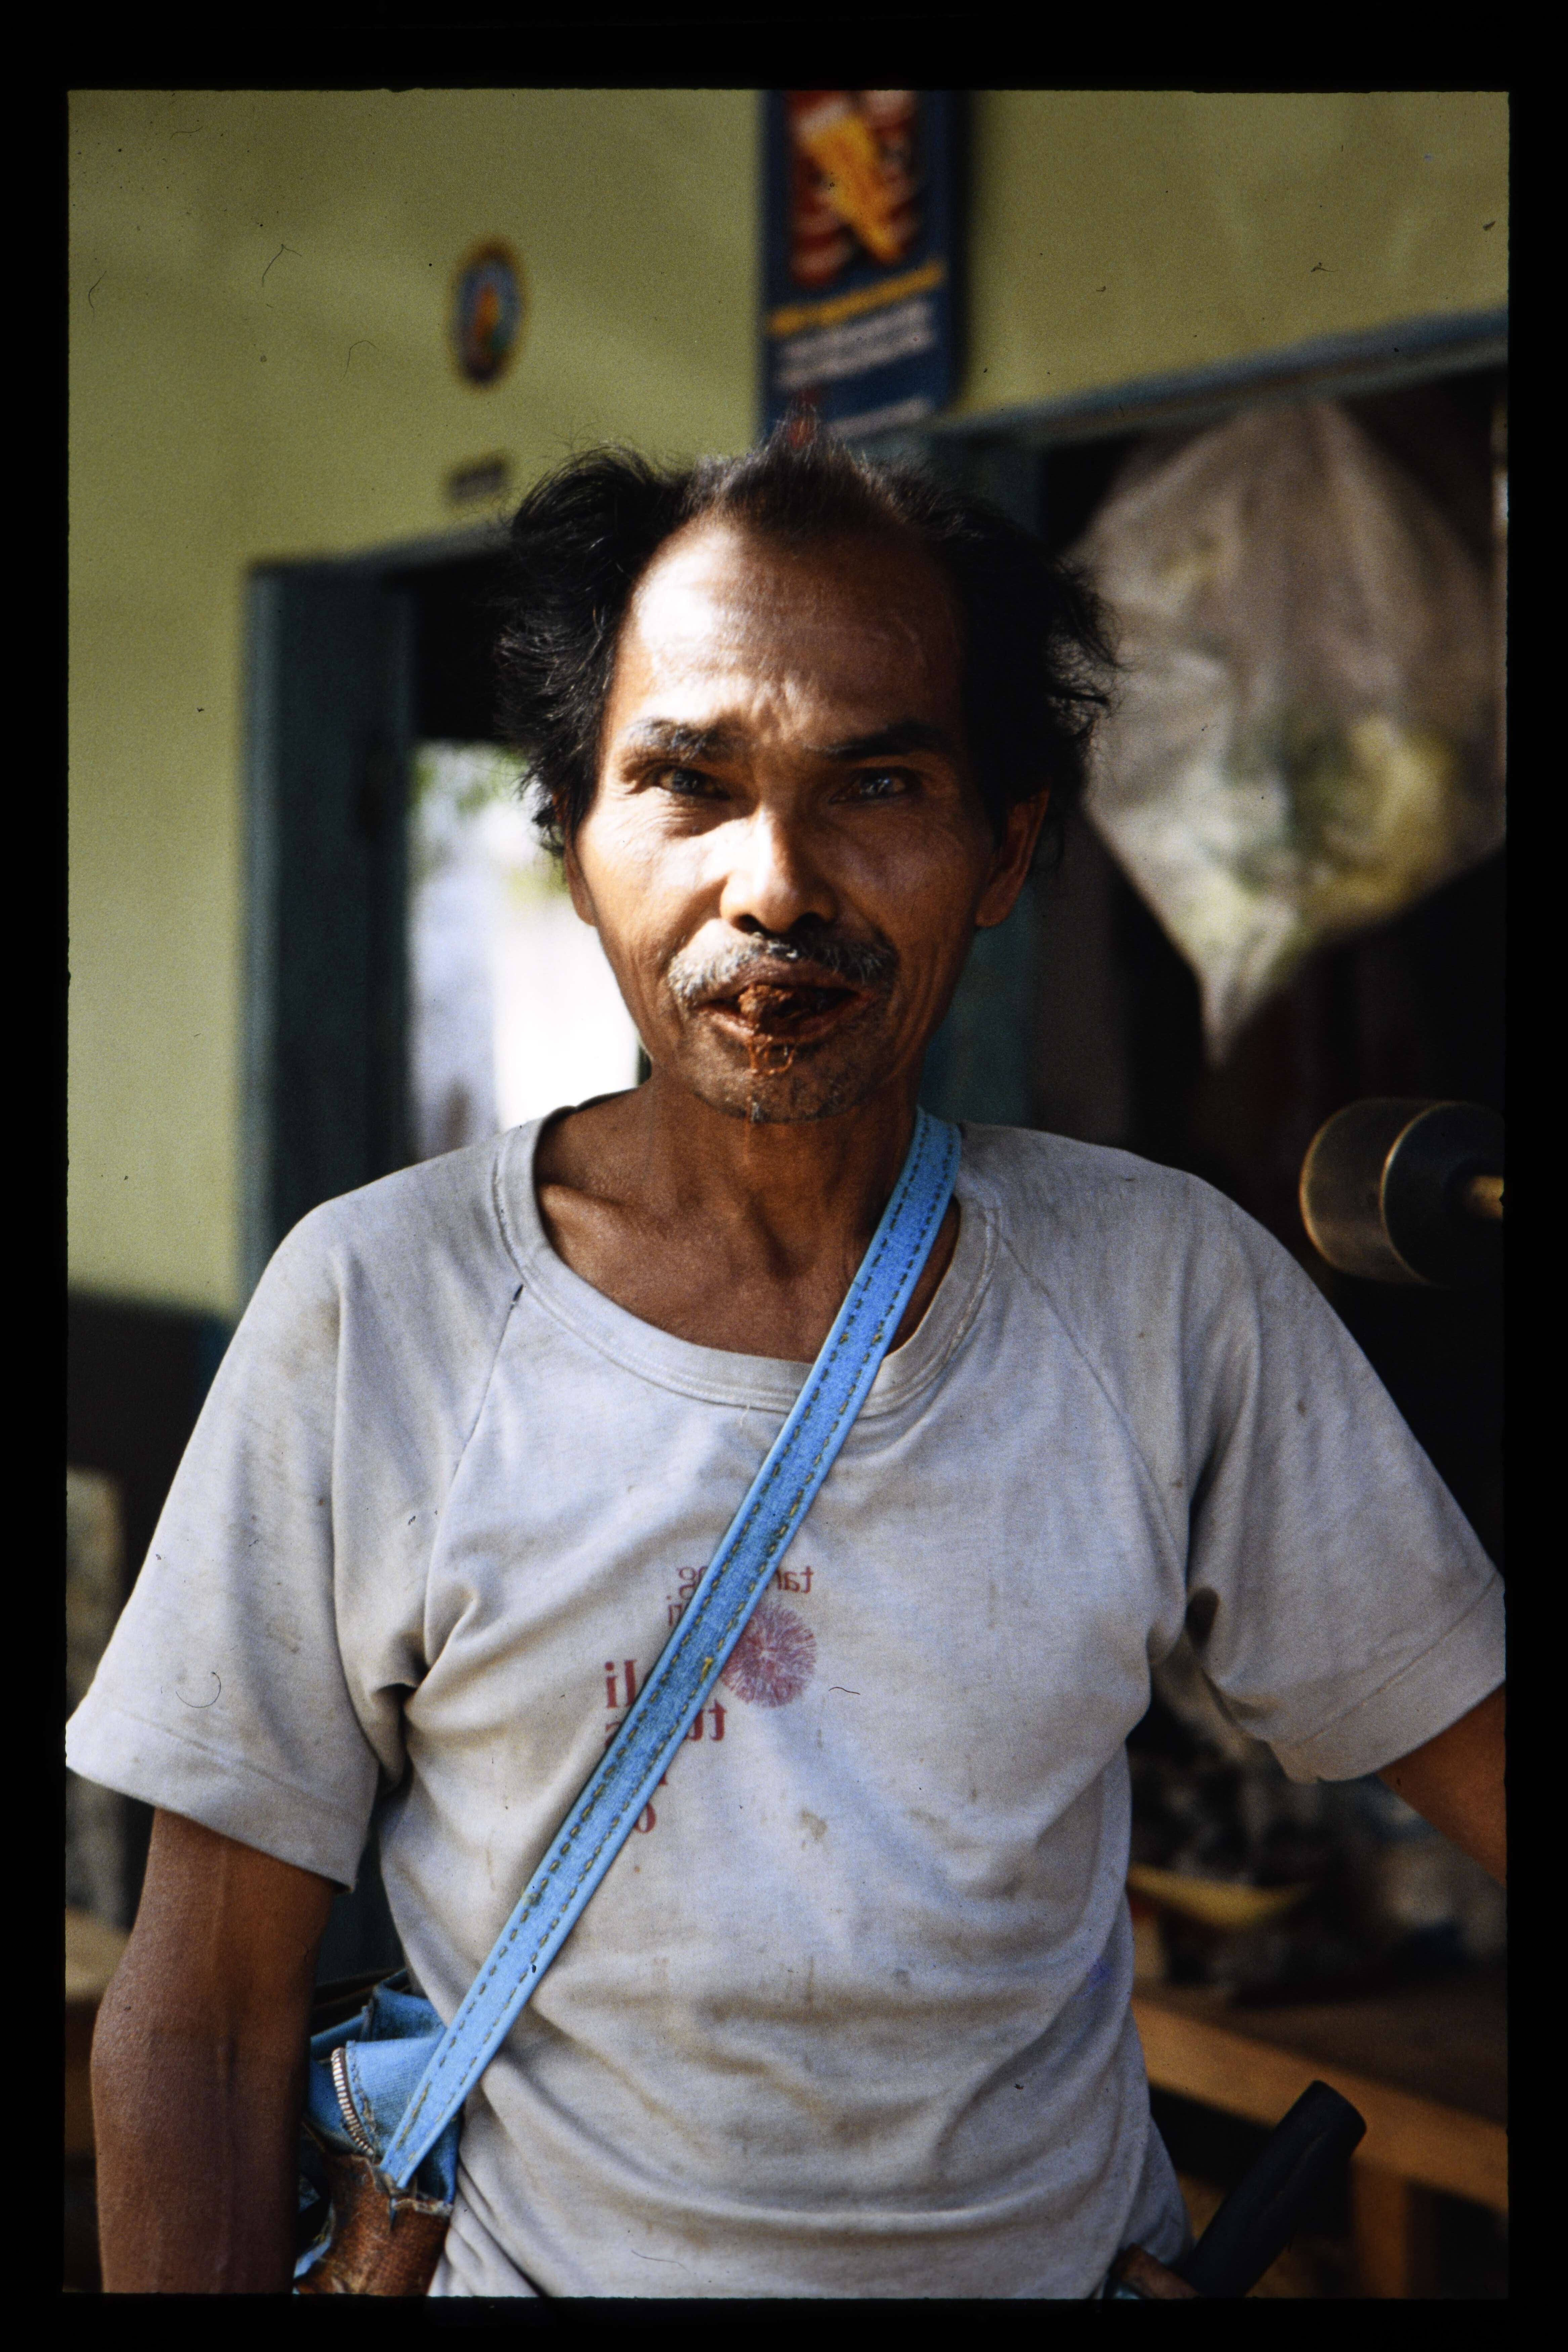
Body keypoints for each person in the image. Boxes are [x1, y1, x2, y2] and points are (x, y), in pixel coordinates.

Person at [70, 427, 1505, 2298]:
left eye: (877, 783)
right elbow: (202, 2017)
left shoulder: (1163, 1294)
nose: (778, 881)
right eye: (687, 782)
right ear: (575, 844)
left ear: (1006, 849)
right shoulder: (378, 1310)